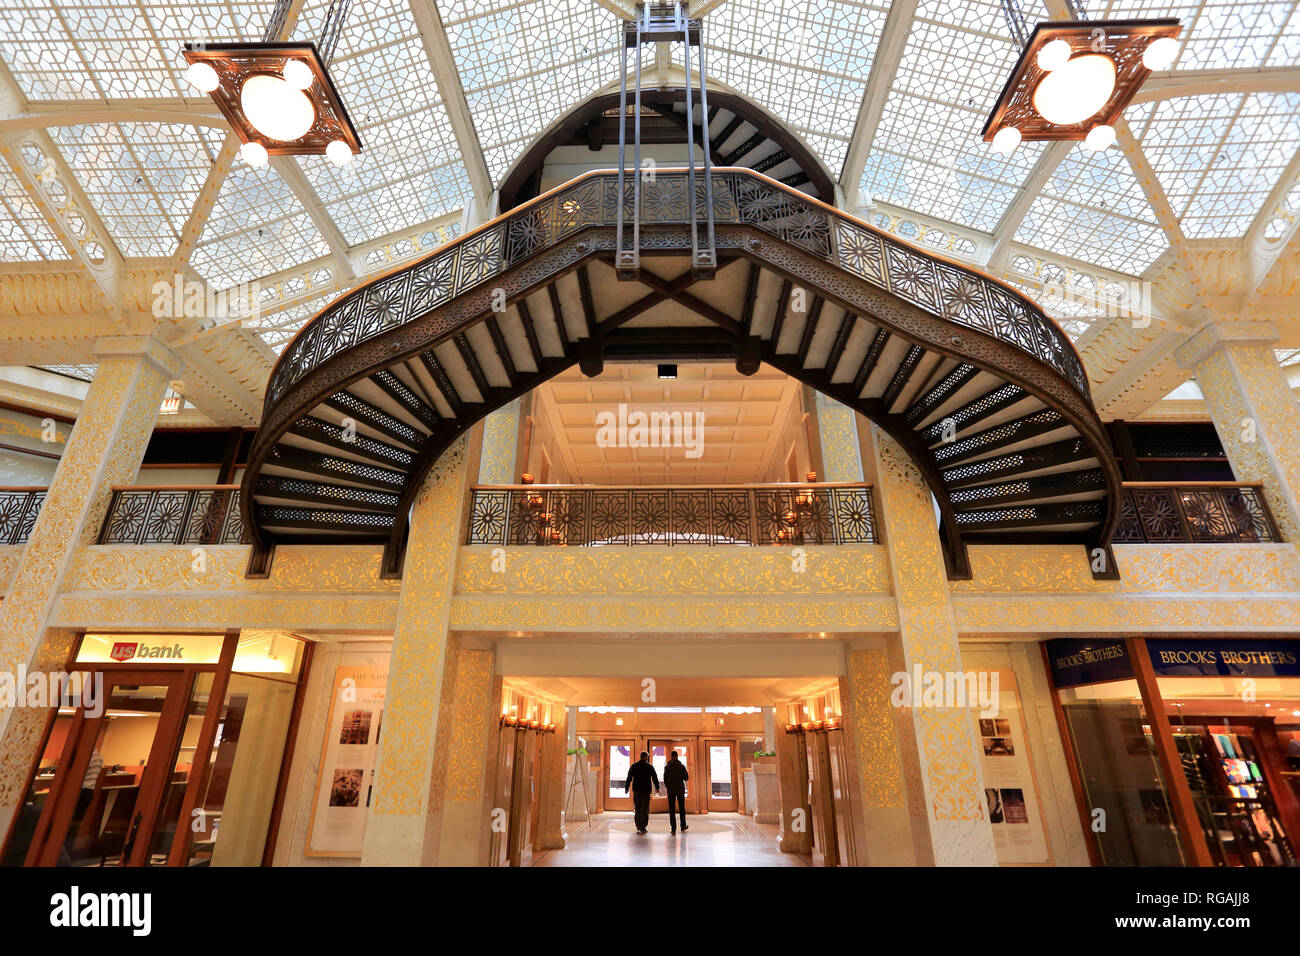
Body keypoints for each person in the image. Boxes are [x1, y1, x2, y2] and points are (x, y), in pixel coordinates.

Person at [623, 751, 660, 833]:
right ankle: (643, 827)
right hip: (646, 791)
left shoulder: (634, 766)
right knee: (645, 809)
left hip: (637, 790)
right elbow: (654, 777)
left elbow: (629, 777)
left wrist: (626, 787)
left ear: (640, 757)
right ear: (646, 757)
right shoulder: (649, 767)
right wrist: (657, 787)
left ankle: (638, 825)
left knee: (637, 808)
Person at [663, 750, 689, 834]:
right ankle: (683, 826)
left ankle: (673, 828)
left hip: (671, 790)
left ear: (671, 756)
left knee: (672, 809)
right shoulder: (681, 766)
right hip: (680, 789)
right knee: (682, 808)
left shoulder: (667, 767)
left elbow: (665, 779)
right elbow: (686, 778)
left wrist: (668, 786)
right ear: (677, 756)